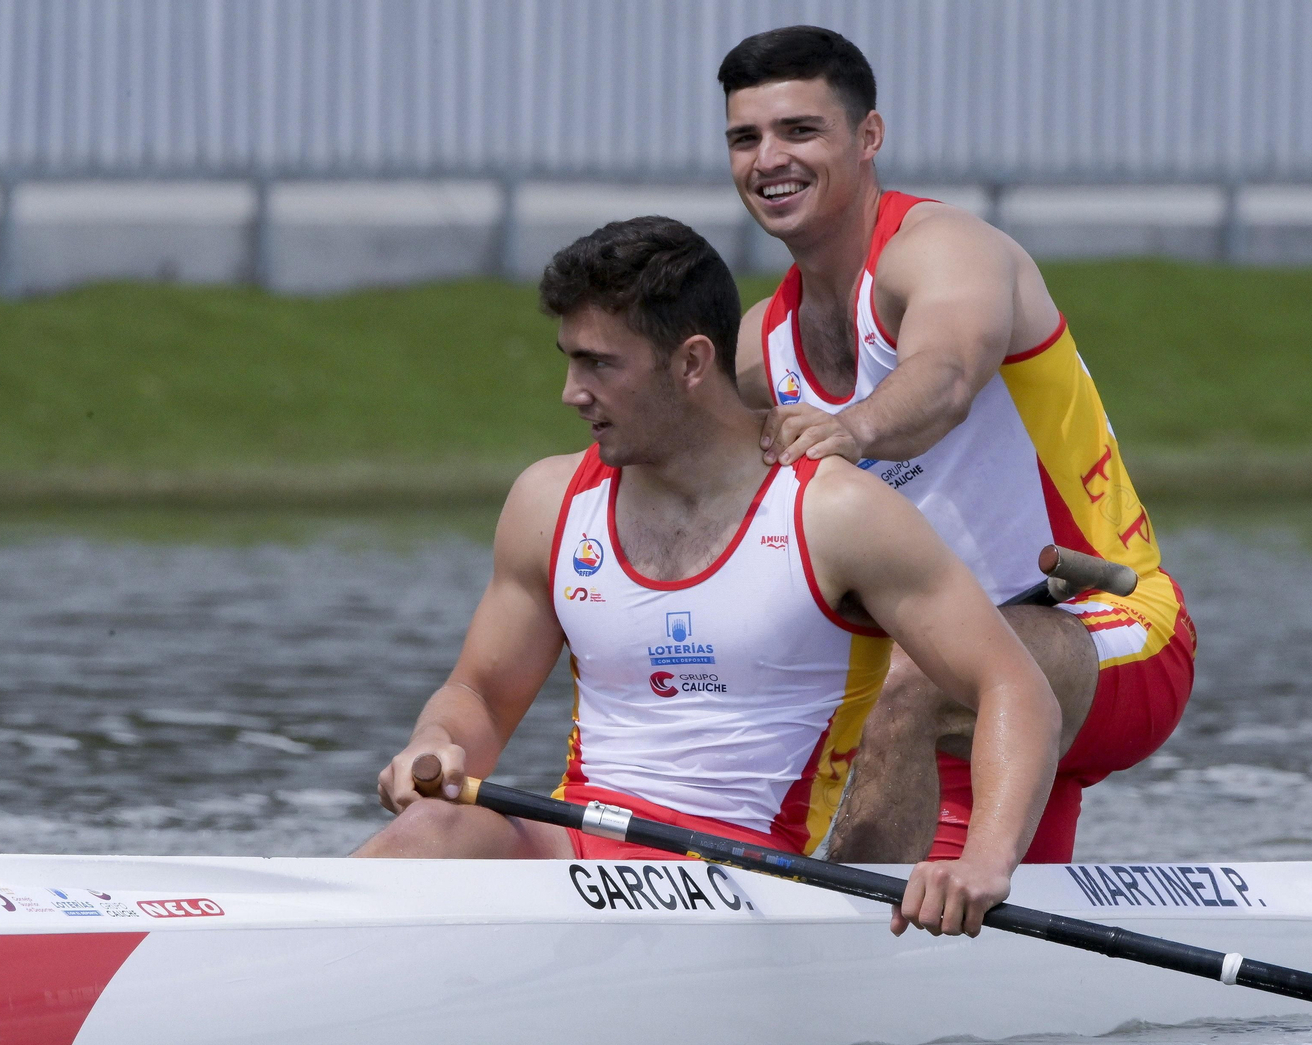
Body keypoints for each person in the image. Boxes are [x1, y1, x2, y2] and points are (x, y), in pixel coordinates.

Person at [355, 216, 1064, 937]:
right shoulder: (548, 502)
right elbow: (479, 692)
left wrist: (985, 862)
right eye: (569, 360)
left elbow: (1012, 686)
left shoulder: (837, 514)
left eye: (600, 364)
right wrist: (435, 741)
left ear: (692, 362)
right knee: (436, 826)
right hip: (575, 844)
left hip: (740, 878)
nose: (572, 392)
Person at [719, 26, 1196, 864]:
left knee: (913, 686)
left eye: (800, 131)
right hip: (948, 674)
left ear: (868, 138)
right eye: (745, 138)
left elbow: (945, 375)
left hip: (1103, 624)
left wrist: (852, 428)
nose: (769, 160)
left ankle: (837, 962)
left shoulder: (946, 251)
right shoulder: (762, 348)